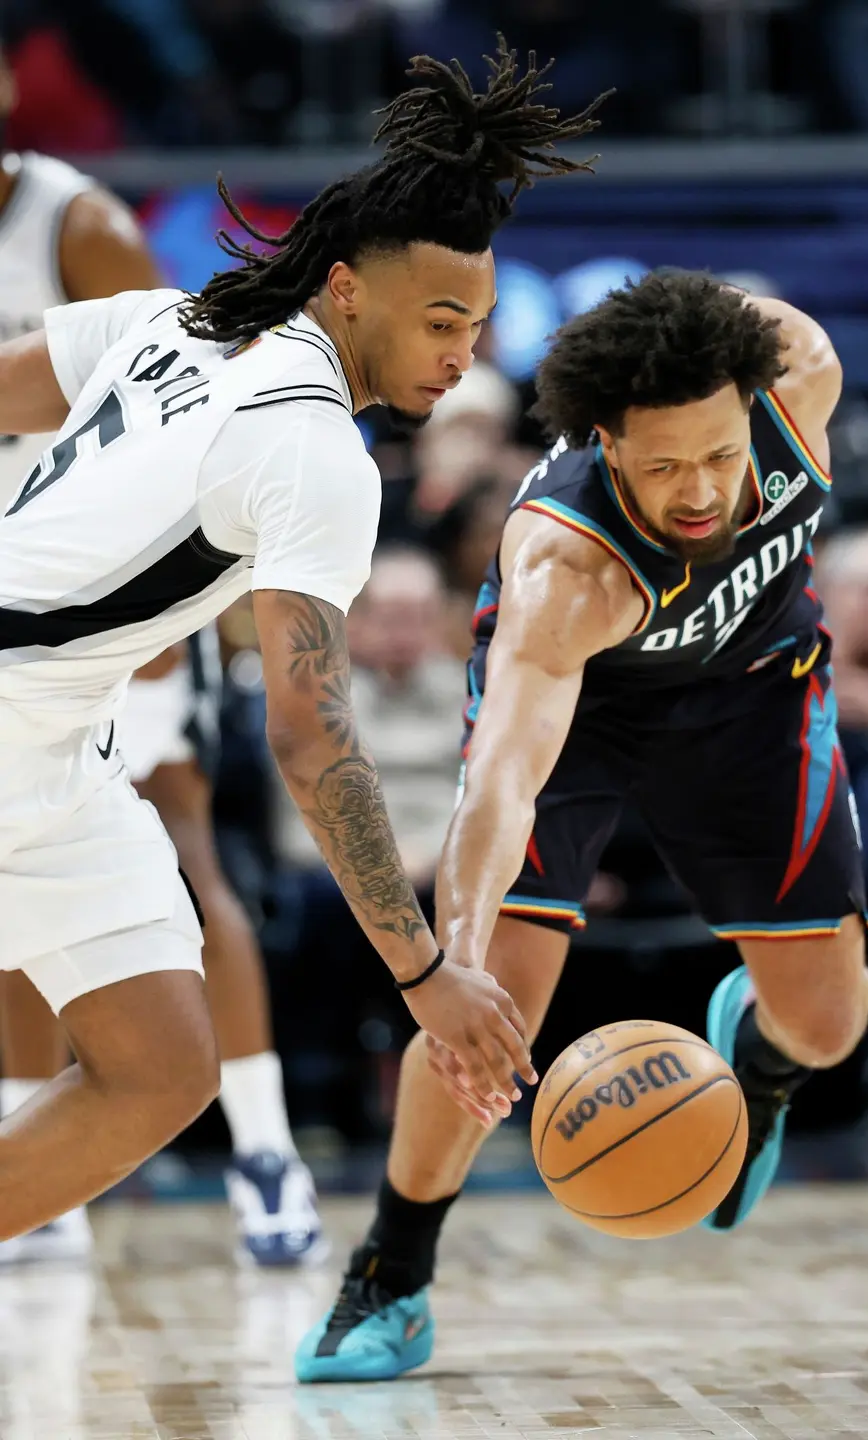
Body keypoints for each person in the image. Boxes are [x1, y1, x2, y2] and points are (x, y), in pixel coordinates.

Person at [0, 36, 606, 1242]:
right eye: (440, 319)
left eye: (479, 327)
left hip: (54, 736)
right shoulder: (318, 449)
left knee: (164, 1067)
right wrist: (426, 976)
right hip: (20, 715)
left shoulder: (172, 319)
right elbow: (312, 740)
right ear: (346, 288)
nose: (461, 354)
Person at [295, 270, 868, 1383]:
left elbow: (723, 324)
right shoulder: (567, 572)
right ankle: (390, 1274)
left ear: (753, 405)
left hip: (753, 689)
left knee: (829, 1023)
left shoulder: (801, 373)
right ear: (607, 443)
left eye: (720, 455)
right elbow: (502, 786)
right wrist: (455, 968)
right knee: (493, 1010)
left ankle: (757, 1064)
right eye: (662, 467)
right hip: (584, 709)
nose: (699, 491)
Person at [0, 45, 323, 1267]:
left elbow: (178, 402)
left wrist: (169, 630)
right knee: (25, 892)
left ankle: (264, 1148)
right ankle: (41, 1170)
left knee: (181, 859)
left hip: (119, 607)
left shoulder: (73, 224)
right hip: (20, 613)